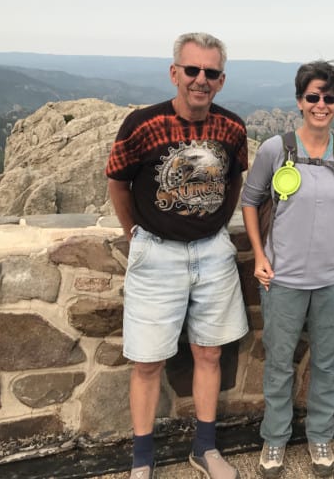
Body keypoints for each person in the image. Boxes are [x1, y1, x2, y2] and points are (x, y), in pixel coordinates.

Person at [106, 32, 248, 479]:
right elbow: (117, 182)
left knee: (209, 355)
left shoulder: (232, 128)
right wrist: (135, 234)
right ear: (175, 73)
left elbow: (235, 182)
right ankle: (142, 461)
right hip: (158, 254)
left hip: (212, 252)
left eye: (210, 73)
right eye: (192, 70)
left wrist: (217, 227)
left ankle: (204, 450)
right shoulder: (142, 125)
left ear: (221, 80)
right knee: (147, 361)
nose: (200, 80)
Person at [241, 60, 334, 478]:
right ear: (299, 101)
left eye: (330, 98)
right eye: (313, 97)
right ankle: (274, 440)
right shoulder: (276, 149)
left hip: (331, 278)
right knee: (278, 362)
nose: (321, 105)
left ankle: (320, 436)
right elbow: (250, 201)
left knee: (326, 362)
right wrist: (259, 254)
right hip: (283, 278)